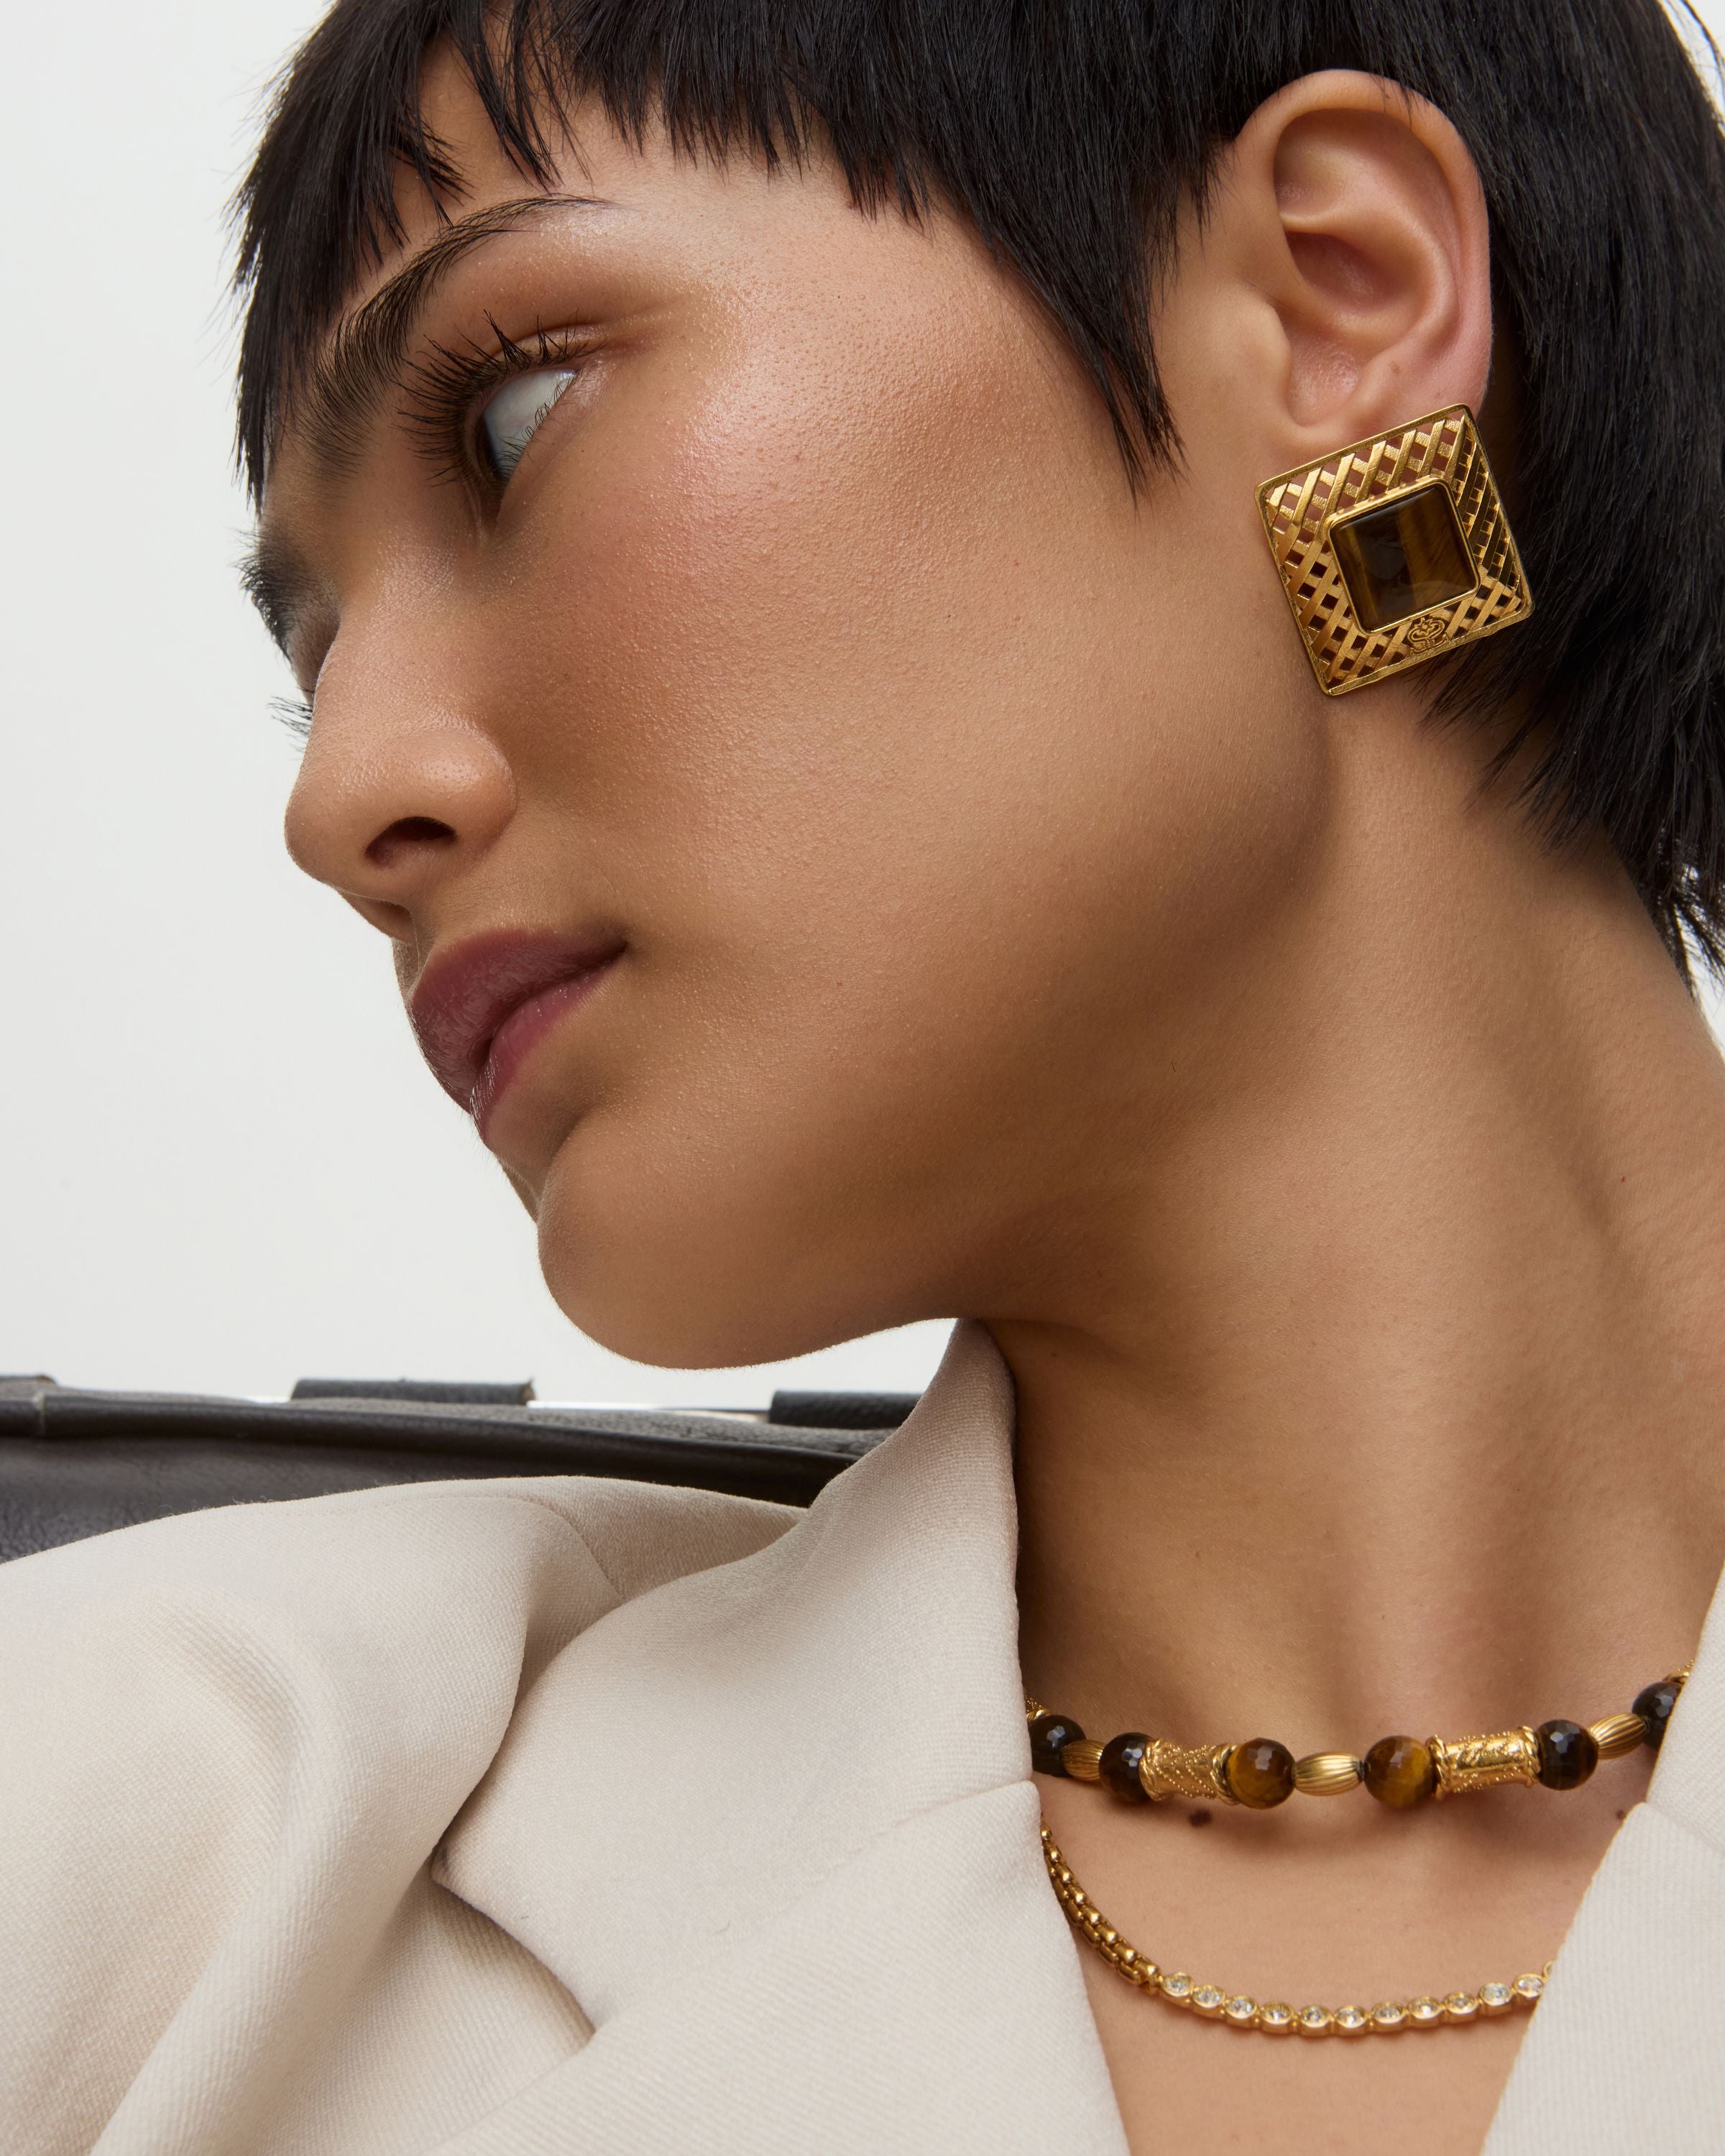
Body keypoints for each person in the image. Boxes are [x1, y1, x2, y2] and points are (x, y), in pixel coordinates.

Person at [6, 0, 1725, 2149]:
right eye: (318, 655)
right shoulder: (150, 1841)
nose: (344, 799)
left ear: (1335, 301)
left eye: (513, 425)